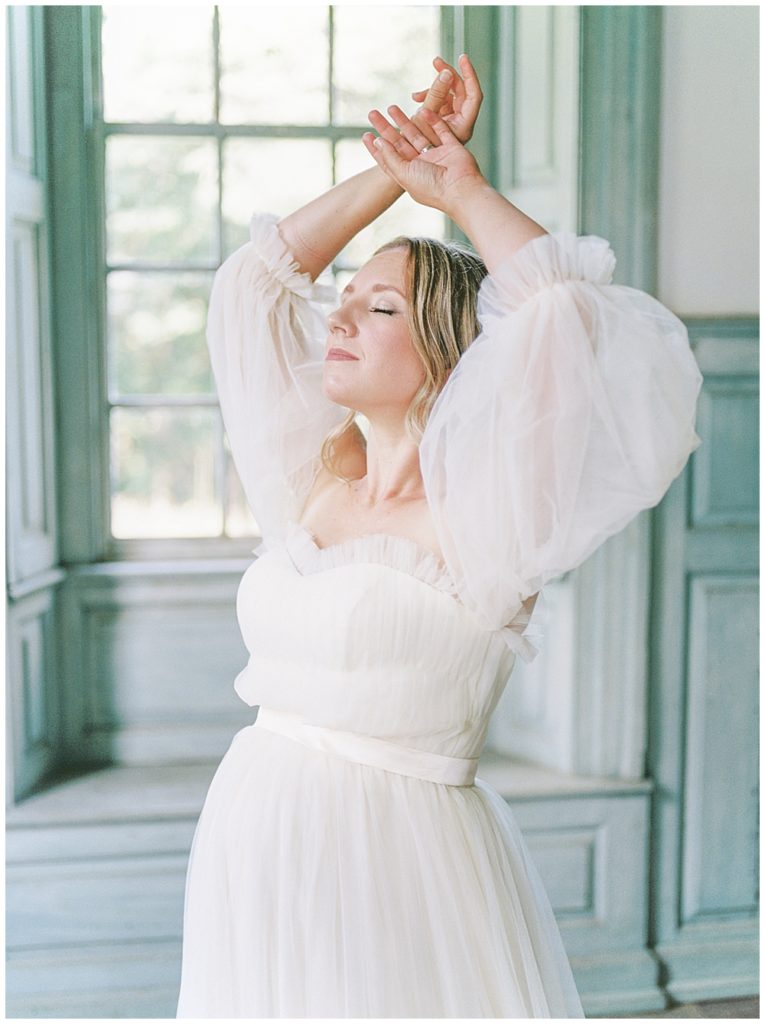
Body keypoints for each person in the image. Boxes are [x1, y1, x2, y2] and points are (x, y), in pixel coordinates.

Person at [176, 55, 702, 1018]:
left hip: (399, 865)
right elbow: (252, 287)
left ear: (445, 356)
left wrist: (456, 186)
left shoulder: (492, 520)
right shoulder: (304, 486)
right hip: (251, 838)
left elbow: (567, 316)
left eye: (377, 309)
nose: (337, 316)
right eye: (345, 299)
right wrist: (395, 163)